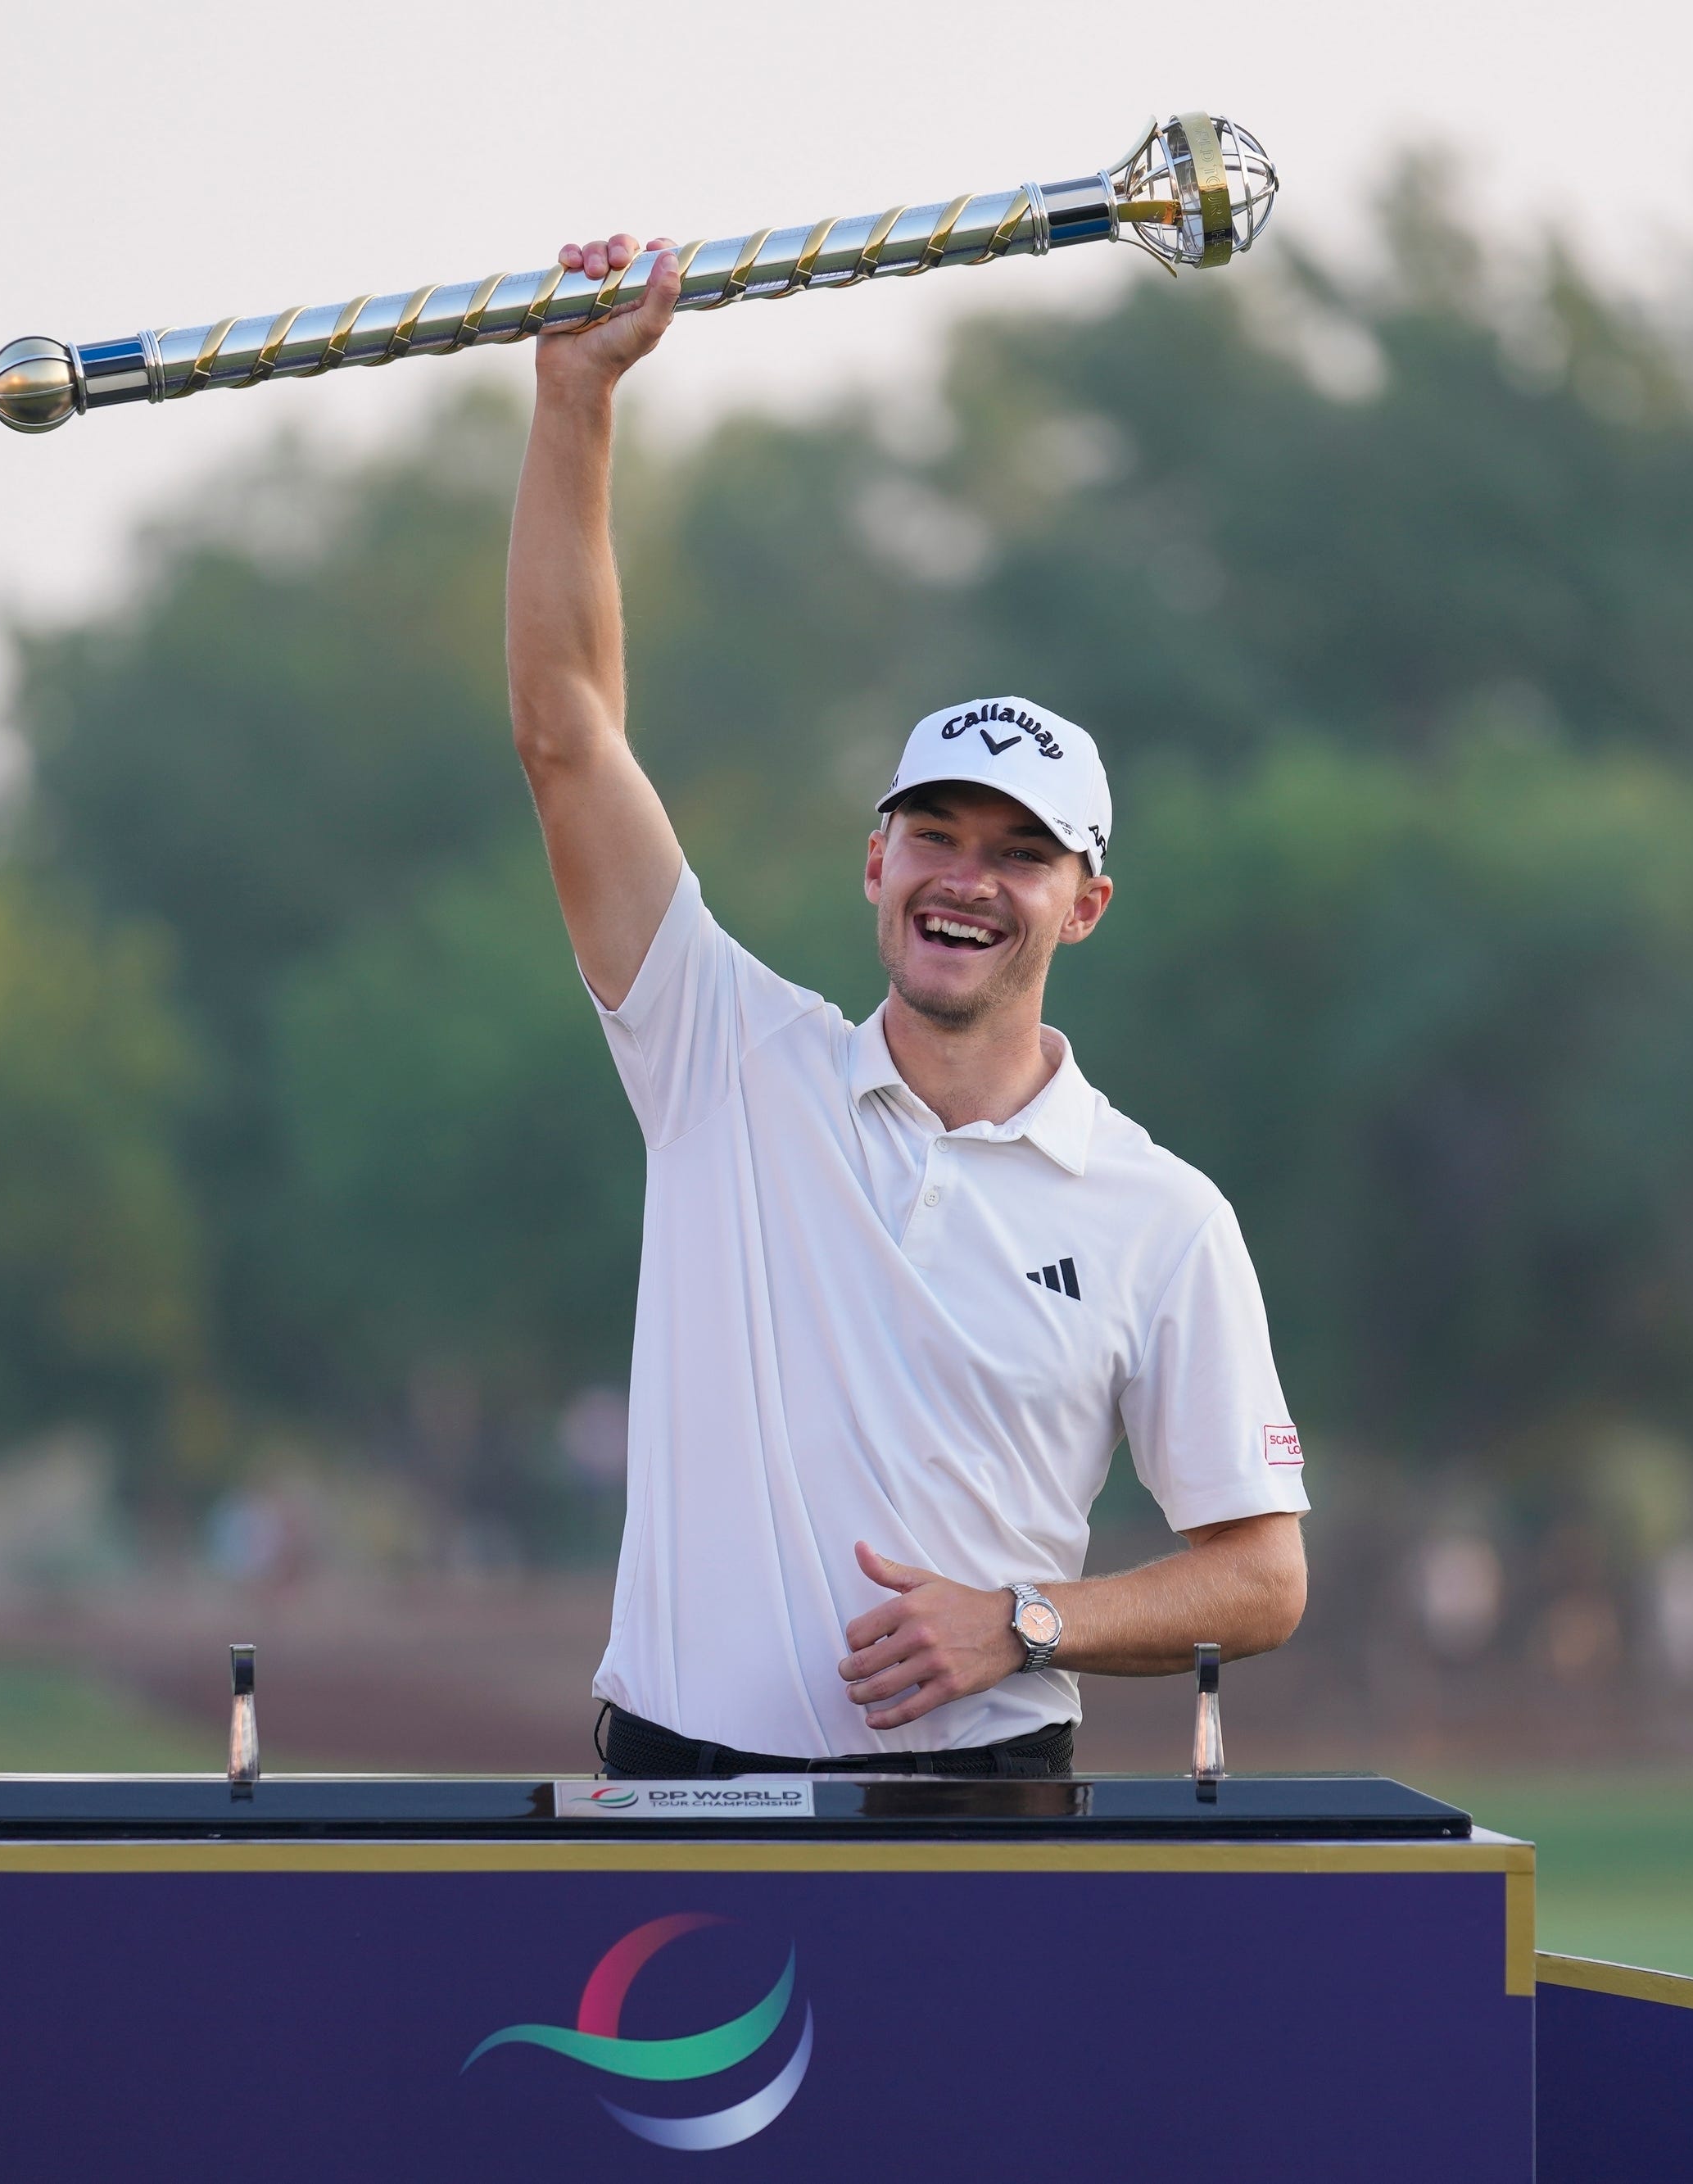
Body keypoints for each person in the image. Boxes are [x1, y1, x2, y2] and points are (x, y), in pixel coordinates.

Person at [510, 233, 1310, 1780]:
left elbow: (1263, 1572)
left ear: (1084, 904)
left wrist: (1024, 1620)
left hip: (978, 1810)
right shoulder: (723, 1055)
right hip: (680, 1789)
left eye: (1021, 853)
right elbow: (568, 734)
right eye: (936, 835)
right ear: (875, 860)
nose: (968, 878)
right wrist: (575, 402)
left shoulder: (1162, 1212)